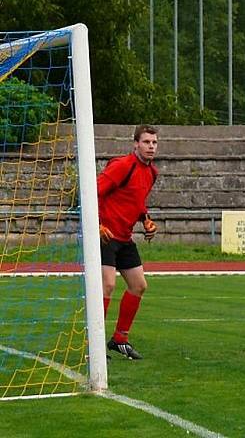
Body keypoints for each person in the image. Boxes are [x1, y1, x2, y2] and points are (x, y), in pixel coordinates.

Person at [98, 124, 160, 360]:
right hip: (105, 234)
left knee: (139, 285)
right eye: (146, 142)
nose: (150, 146)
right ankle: (92, 344)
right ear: (135, 143)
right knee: (107, 285)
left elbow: (136, 201)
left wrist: (145, 220)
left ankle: (119, 340)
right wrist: (97, 225)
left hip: (124, 237)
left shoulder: (152, 172)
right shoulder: (122, 165)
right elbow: (94, 192)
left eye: (154, 142)